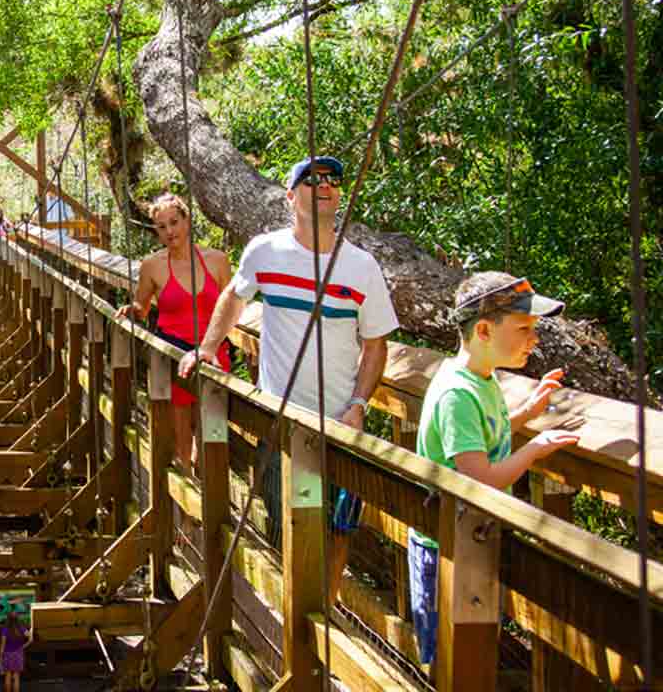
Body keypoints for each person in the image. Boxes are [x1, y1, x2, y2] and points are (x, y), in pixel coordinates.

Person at [178, 155, 399, 599]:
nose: (326, 186)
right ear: (291, 195)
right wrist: (206, 346)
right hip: (279, 419)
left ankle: (325, 618)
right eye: (312, 179)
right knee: (288, 524)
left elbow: (376, 344)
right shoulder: (266, 250)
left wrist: (358, 406)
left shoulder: (361, 267)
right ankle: (295, 614)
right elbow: (234, 298)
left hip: (340, 425)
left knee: (338, 531)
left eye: (334, 180)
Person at [407, 272, 580, 668]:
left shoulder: (480, 379)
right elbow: (478, 480)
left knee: (478, 648)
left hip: (469, 538)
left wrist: (527, 412)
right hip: (446, 550)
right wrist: (534, 450)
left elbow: (487, 436)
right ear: (484, 330)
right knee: (451, 661)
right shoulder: (458, 394)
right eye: (523, 328)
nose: (533, 339)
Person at [117, 193, 233, 471]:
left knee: (212, 440)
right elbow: (142, 306)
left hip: (213, 354)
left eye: (174, 222)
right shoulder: (152, 266)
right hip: (172, 356)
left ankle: (208, 500)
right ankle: (187, 511)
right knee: (182, 439)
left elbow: (233, 307)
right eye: (161, 227)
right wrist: (131, 311)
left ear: (187, 221)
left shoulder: (217, 260)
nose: (169, 231)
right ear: (155, 231)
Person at [0, 608, 30, 692]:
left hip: (7, 654)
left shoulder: (5, 629)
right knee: (16, 676)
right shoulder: (21, 628)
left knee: (7, 675)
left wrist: (0, 658)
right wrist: (24, 646)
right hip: (18, 653)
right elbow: (31, 638)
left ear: (8, 618)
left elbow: (3, 644)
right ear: (17, 618)